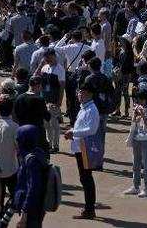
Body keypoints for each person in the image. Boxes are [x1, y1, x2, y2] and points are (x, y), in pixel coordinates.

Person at [64, 82, 100, 220]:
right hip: (80, 147)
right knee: (84, 177)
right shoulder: (84, 108)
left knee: (86, 178)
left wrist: (74, 132)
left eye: (82, 92)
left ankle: (89, 209)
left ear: (89, 94)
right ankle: (88, 207)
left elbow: (91, 130)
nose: (79, 94)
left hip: (85, 148)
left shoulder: (92, 110)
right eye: (79, 91)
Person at [124, 89, 147, 197]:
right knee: (136, 164)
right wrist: (135, 115)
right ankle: (136, 186)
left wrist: (143, 114)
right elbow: (134, 123)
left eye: (139, 100)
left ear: (144, 99)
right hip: (137, 138)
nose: (137, 102)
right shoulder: (137, 108)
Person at [13, 125, 47, 228]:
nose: (16, 142)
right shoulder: (37, 153)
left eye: (18, 139)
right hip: (36, 208)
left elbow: (33, 188)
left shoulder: (31, 160)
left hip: (31, 210)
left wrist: (24, 215)